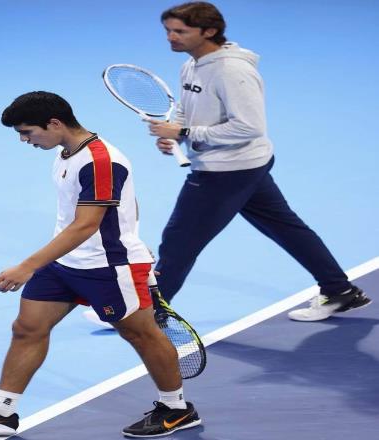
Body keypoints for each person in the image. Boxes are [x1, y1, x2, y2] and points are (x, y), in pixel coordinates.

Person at [0, 92, 201, 437]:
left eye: (27, 132)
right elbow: (124, 203)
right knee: (27, 328)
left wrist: (28, 266)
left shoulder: (100, 160)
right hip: (65, 262)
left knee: (140, 334)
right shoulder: (66, 152)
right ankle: (0, 412)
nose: (25, 140)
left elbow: (86, 225)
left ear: (54, 123)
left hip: (107, 265)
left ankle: (177, 409)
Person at [147, 2, 371, 322]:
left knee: (178, 242)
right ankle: (340, 290)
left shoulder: (231, 71)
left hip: (226, 172)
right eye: (168, 30)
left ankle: (148, 313)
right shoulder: (192, 64)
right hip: (245, 165)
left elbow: (249, 127)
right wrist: (177, 134)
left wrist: (185, 131)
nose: (171, 37)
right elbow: (187, 107)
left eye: (180, 31)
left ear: (209, 31)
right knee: (286, 228)